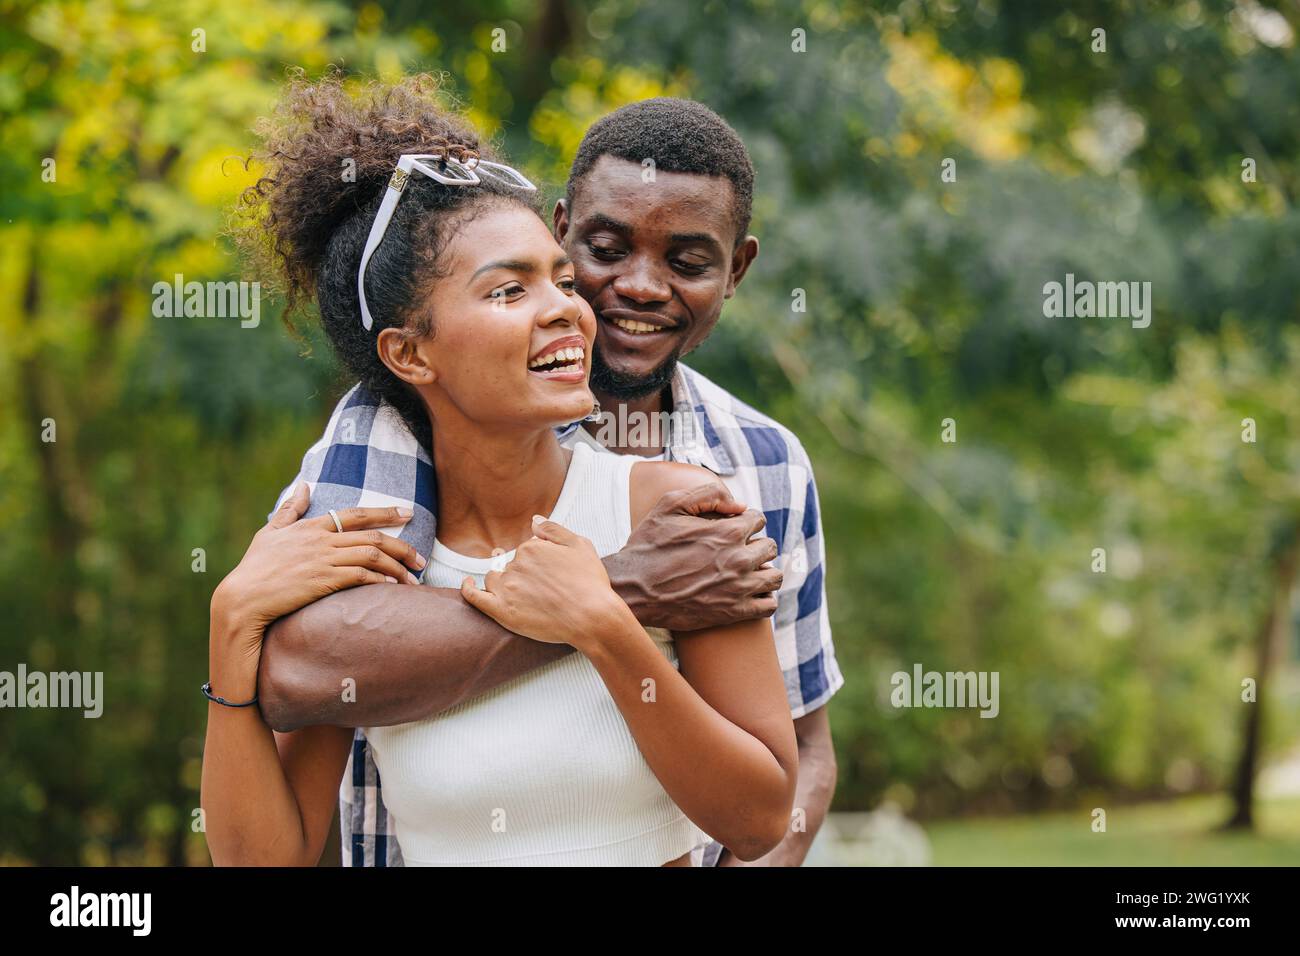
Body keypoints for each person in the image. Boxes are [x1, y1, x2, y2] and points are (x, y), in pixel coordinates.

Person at [202, 73, 798, 866]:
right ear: (411, 353)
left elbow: (759, 818)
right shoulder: (373, 566)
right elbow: (264, 859)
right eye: (510, 290)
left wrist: (604, 623)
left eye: (558, 276)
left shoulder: (677, 509)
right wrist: (230, 623)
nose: (568, 306)